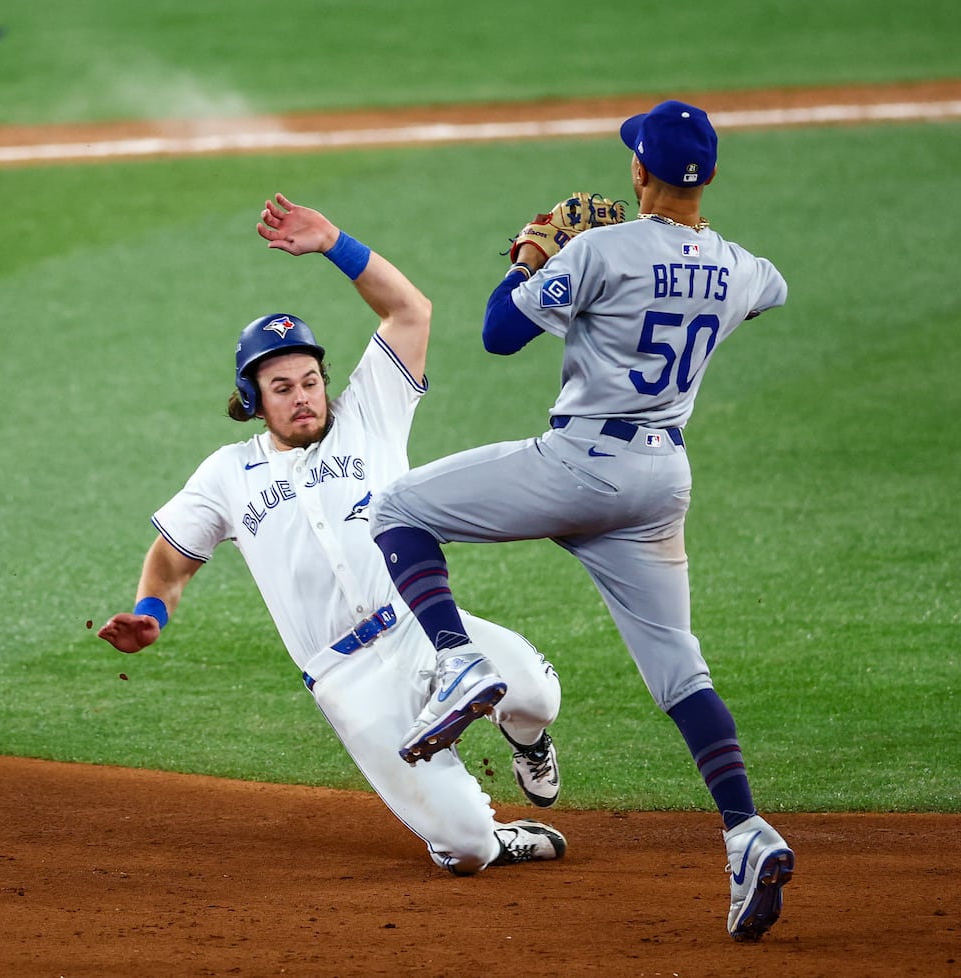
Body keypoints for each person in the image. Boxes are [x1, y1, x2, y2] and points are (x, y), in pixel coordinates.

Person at [368, 102, 795, 940]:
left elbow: (497, 334)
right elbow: (770, 288)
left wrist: (535, 251)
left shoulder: (601, 249)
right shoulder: (742, 267)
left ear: (640, 173)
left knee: (400, 509)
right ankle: (746, 831)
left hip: (581, 465)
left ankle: (459, 664)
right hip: (661, 483)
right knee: (681, 672)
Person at [97, 193, 565, 876]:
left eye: (310, 379)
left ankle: (527, 742)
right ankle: (483, 835)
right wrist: (149, 613)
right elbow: (172, 560)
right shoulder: (228, 473)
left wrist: (334, 243)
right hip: (347, 680)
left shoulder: (369, 415)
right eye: (282, 386)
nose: (304, 395)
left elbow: (411, 311)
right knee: (465, 852)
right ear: (253, 399)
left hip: (420, 629)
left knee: (537, 695)